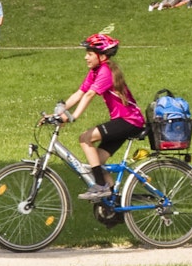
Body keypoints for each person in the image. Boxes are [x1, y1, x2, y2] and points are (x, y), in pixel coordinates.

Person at [49, 34, 147, 200]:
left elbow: (89, 95)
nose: (85, 56)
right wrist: (57, 113)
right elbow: (79, 93)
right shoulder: (95, 72)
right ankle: (113, 202)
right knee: (95, 162)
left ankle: (101, 187)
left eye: (89, 53)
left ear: (101, 56)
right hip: (122, 121)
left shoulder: (105, 72)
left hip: (129, 121)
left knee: (85, 138)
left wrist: (72, 117)